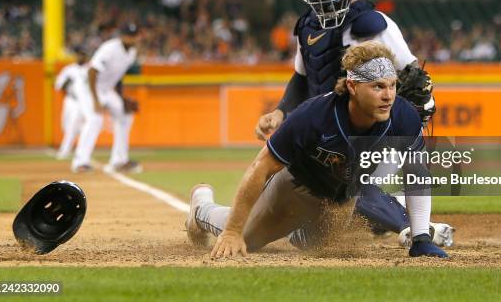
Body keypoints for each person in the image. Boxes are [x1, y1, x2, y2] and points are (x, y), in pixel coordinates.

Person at [254, 0, 452, 247]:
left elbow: (415, 81)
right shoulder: (307, 26)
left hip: (378, 129)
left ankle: (414, 228)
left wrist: (402, 128)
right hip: (330, 132)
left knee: (349, 187)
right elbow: (300, 78)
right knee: (309, 228)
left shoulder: (373, 25)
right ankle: (393, 212)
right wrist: (280, 111)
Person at [186, 41, 448, 258]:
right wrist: (233, 231)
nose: (388, 95)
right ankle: (201, 207)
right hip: (296, 189)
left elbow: (417, 173)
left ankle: (289, 228)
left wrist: (421, 237)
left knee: (320, 250)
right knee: (247, 241)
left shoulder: (402, 116)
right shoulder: (313, 116)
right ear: (352, 86)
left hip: (342, 199)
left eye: (392, 85)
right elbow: (261, 167)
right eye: (378, 86)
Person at [70, 23, 141, 173]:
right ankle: (80, 162)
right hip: (88, 86)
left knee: (125, 116)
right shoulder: (110, 48)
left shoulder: (132, 52)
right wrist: (96, 100)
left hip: (107, 88)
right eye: (128, 35)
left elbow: (118, 77)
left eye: (134, 35)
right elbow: (92, 71)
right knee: (95, 118)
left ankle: (119, 161)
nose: (131, 38)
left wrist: (121, 99)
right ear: (122, 35)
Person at [54, 46, 88, 160]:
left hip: (81, 102)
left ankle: (65, 151)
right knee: (65, 125)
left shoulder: (89, 69)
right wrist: (67, 82)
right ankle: (80, 147)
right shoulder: (69, 69)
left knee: (72, 126)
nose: (80, 56)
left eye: (82, 54)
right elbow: (58, 85)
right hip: (69, 100)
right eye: (78, 54)